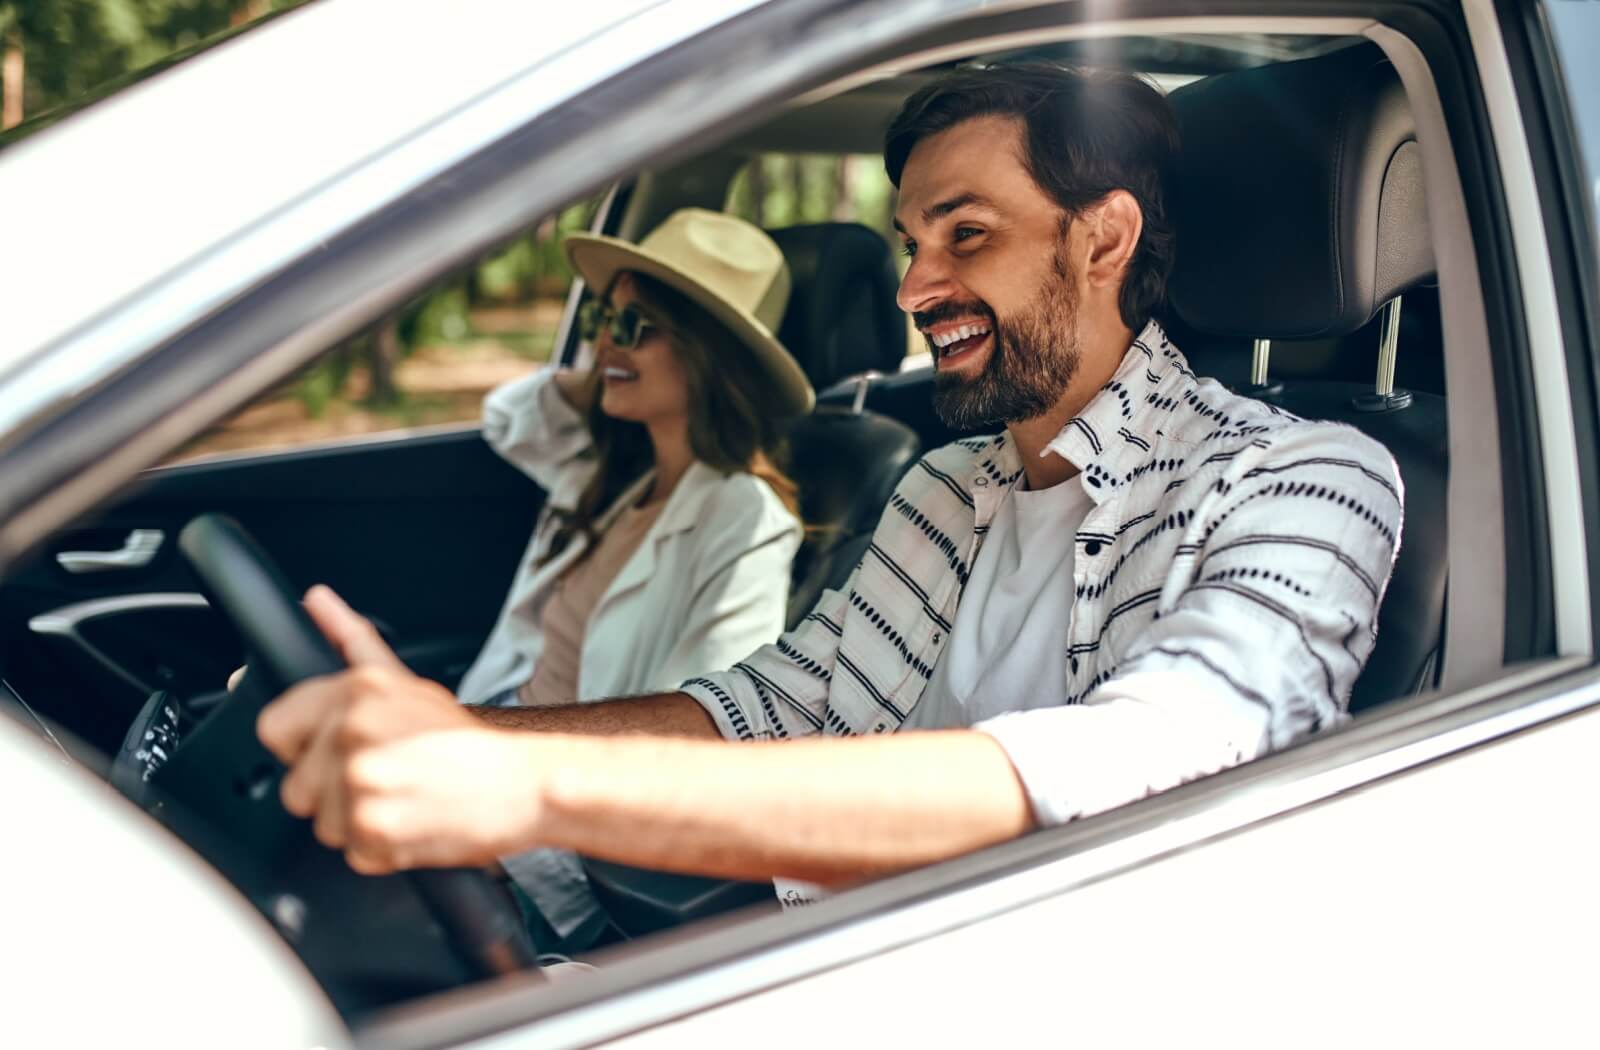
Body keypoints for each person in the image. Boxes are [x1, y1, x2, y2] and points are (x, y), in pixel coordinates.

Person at [257, 64, 1403, 904]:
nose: (915, 287)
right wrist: (473, 744)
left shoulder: (1306, 480)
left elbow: (1142, 765)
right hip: (827, 957)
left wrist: (535, 789)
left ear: (1101, 243)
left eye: (965, 235)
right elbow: (765, 710)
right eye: (911, 241)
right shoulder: (947, 489)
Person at [455, 208, 814, 945]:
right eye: (601, 317)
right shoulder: (614, 472)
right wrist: (608, 367)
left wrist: (502, 842)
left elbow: (702, 733)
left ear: (707, 353)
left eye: (634, 325)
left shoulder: (743, 519)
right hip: (491, 741)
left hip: (546, 827)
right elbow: (507, 418)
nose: (601, 341)